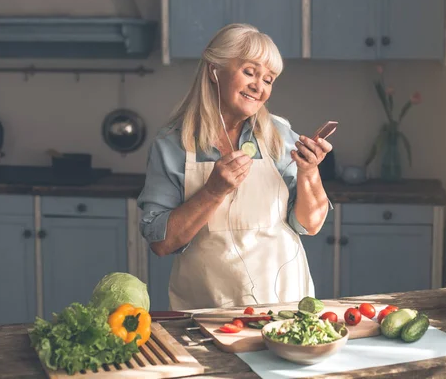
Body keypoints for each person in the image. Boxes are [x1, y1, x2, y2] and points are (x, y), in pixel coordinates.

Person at [137, 23, 333, 310]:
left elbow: (309, 224)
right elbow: (161, 243)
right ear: (215, 70)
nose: (259, 87)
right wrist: (213, 192)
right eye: (250, 72)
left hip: (284, 306)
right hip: (207, 310)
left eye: (268, 80)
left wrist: (309, 172)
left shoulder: (278, 136)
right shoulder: (173, 145)